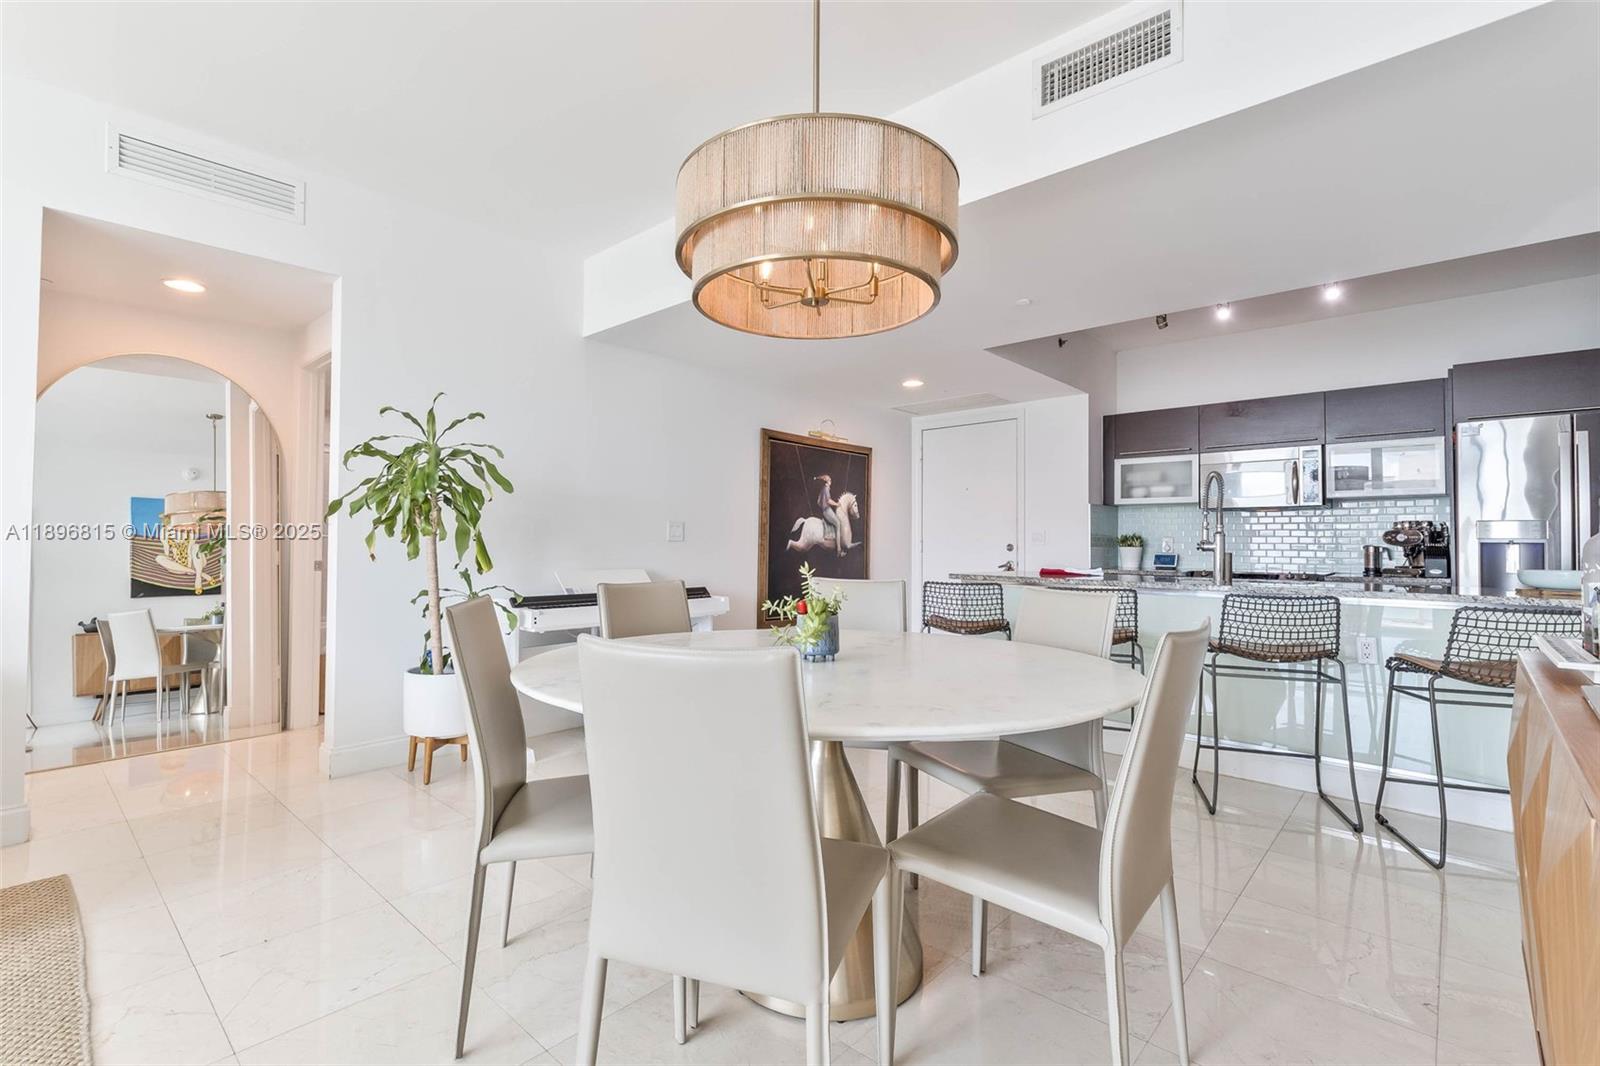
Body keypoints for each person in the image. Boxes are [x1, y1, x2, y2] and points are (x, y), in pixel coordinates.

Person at [814, 474, 844, 557]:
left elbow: (818, 501)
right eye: (830, 480)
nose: (831, 481)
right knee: (838, 523)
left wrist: (823, 506)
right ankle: (839, 550)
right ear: (827, 482)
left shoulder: (823, 489)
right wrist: (837, 504)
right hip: (827, 510)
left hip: (825, 510)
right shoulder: (826, 489)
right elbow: (828, 501)